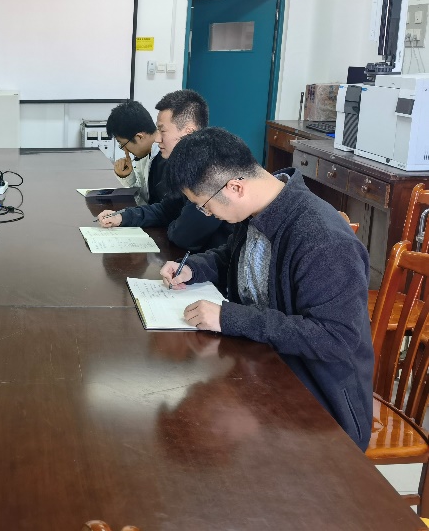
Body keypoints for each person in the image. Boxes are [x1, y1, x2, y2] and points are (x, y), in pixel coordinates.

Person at [158, 127, 373, 449]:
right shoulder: (258, 210)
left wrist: (230, 318)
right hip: (261, 369)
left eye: (204, 206)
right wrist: (194, 268)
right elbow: (237, 258)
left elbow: (335, 338)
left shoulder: (323, 239)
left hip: (317, 407)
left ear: (235, 187)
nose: (207, 214)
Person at [97, 89, 232, 253]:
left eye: (163, 130)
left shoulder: (210, 172)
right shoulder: (188, 165)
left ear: (189, 132)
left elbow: (183, 236)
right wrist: (122, 217)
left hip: (213, 264)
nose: (157, 138)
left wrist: (173, 223)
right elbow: (166, 209)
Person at [105, 100, 167, 206]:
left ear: (139, 137)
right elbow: (143, 197)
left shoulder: (164, 159)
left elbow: (153, 208)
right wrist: (127, 177)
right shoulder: (146, 154)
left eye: (123, 144)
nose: (125, 151)